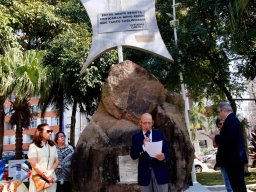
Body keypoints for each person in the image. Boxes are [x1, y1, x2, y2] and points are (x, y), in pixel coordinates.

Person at [210, 102, 248, 192]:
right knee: (236, 185)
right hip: (233, 159)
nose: (219, 114)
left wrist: (215, 137)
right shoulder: (231, 120)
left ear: (223, 110)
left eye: (219, 111)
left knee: (238, 185)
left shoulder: (231, 120)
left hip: (234, 159)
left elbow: (229, 138)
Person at [130, 113, 169, 192]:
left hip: (160, 173)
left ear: (152, 123)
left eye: (149, 123)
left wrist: (164, 156)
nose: (147, 125)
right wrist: (143, 146)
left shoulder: (159, 135)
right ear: (140, 123)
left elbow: (167, 152)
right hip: (144, 175)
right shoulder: (136, 137)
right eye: (145, 123)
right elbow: (133, 155)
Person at [28, 123, 59, 192]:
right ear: (40, 133)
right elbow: (34, 164)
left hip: (51, 180)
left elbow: (56, 161)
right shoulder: (33, 146)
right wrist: (46, 176)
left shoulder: (52, 146)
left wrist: (50, 172)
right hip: (38, 181)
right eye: (48, 131)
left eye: (51, 131)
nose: (50, 133)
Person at [214, 117, 232, 192]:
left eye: (224, 123)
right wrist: (213, 138)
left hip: (231, 158)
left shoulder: (230, 132)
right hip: (222, 159)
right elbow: (215, 145)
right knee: (226, 179)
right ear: (218, 125)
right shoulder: (217, 134)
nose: (222, 125)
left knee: (234, 179)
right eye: (220, 123)